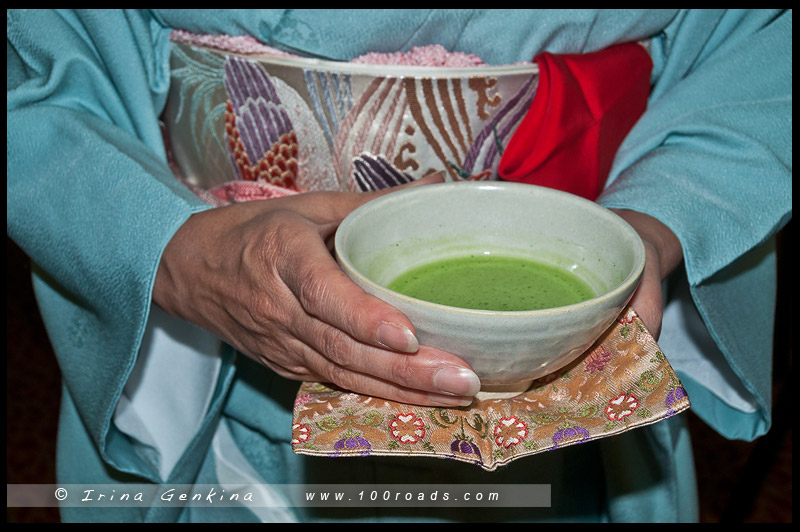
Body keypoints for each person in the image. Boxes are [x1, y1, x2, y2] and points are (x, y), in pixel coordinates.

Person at [7, 9, 791, 523]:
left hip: (567, 416)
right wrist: (169, 252)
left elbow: (762, 45)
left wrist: (659, 222)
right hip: (229, 386)